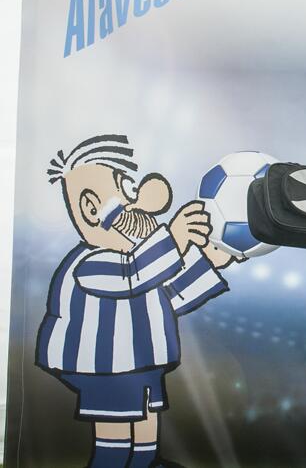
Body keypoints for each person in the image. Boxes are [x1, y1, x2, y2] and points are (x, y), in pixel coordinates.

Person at [37, 134, 235, 468]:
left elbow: (169, 296)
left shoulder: (138, 262)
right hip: (105, 369)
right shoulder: (91, 263)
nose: (145, 202)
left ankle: (145, 462)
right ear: (90, 208)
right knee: (115, 443)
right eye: (128, 189)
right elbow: (133, 275)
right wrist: (174, 238)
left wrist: (210, 262)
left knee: (145, 435)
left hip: (141, 364)